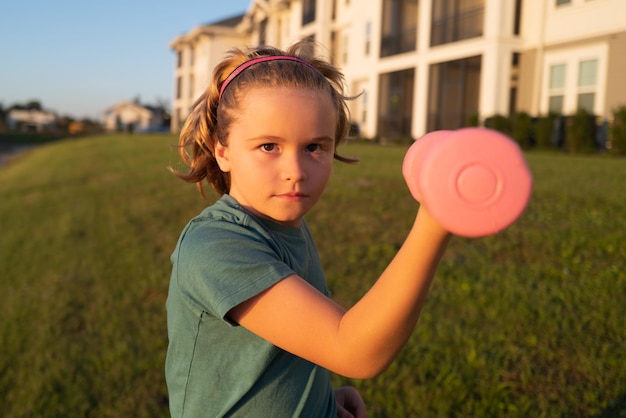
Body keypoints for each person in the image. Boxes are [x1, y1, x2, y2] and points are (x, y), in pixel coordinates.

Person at [165, 40, 450, 418]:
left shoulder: (286, 225)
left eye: (314, 147)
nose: (296, 171)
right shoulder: (215, 248)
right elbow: (352, 349)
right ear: (223, 151)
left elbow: (287, 342)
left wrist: (321, 399)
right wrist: (436, 219)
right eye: (269, 146)